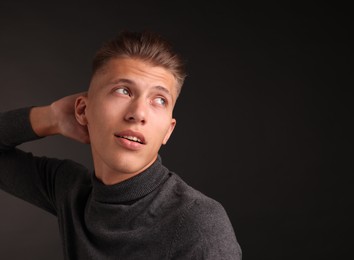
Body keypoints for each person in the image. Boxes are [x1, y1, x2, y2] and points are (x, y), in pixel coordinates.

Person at [0, 30, 242, 259]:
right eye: (123, 91)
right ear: (83, 110)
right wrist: (51, 117)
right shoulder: (70, 191)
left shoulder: (198, 223)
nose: (138, 113)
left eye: (159, 100)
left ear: (168, 131)